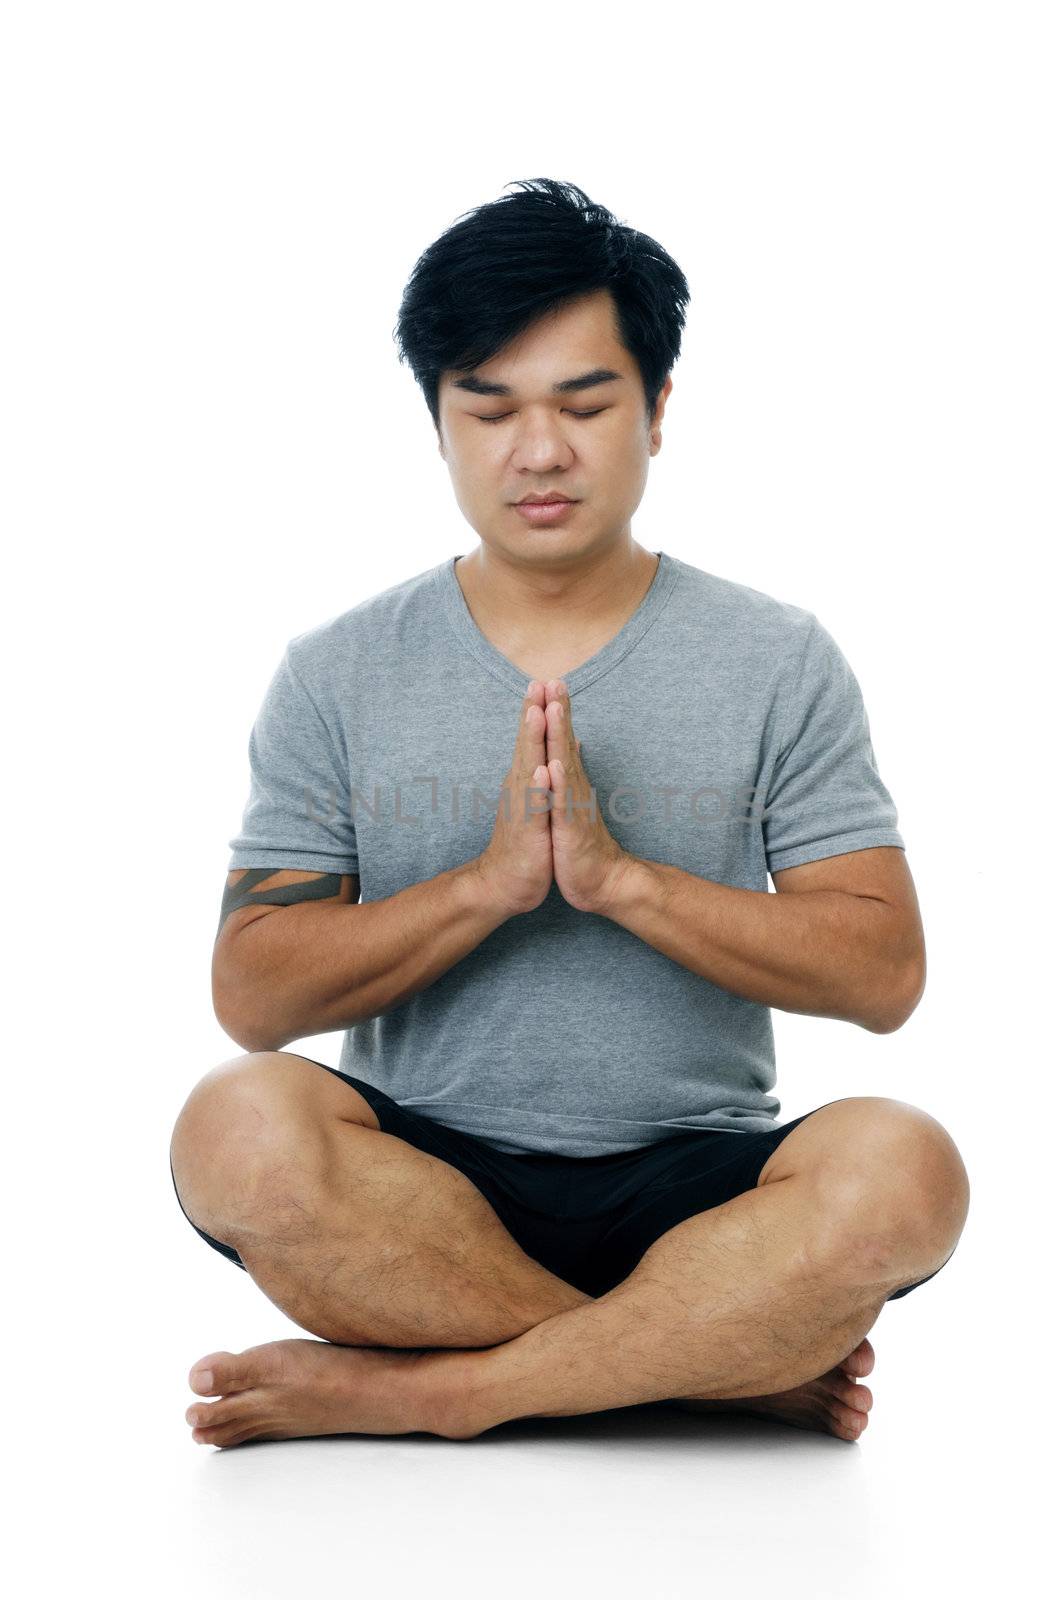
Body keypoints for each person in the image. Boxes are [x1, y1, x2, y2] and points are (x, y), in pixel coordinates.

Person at [170, 178, 969, 1450]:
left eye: (585, 404)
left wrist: (622, 882)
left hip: (698, 1179)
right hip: (423, 1182)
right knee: (234, 1125)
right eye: (487, 407)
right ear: (438, 425)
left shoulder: (774, 655)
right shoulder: (336, 668)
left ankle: (441, 1390)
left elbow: (883, 975)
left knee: (907, 1167)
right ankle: (700, 1365)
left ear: (656, 410)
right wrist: (488, 884)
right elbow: (255, 998)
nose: (537, 450)